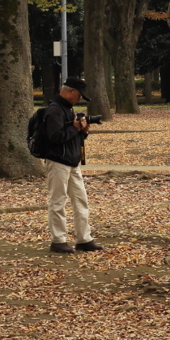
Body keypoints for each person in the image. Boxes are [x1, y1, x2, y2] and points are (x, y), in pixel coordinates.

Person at [37, 77, 104, 254]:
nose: (79, 99)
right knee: (58, 201)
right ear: (70, 91)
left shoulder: (67, 109)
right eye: (79, 95)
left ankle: (84, 238)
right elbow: (54, 138)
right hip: (58, 162)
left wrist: (83, 131)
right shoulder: (54, 110)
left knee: (81, 200)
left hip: (72, 162)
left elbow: (71, 137)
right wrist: (74, 128)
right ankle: (58, 240)